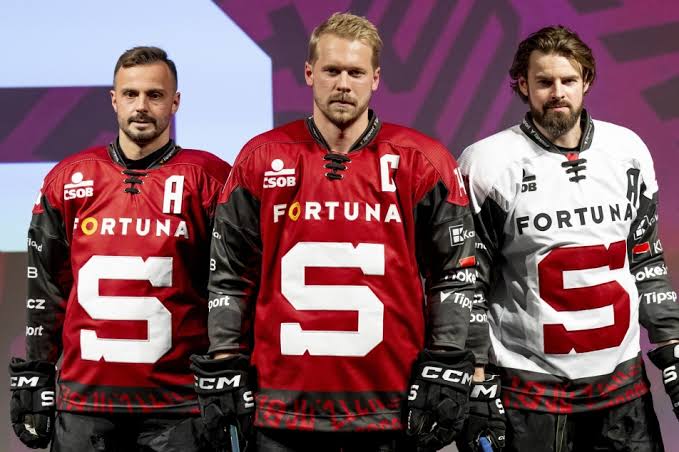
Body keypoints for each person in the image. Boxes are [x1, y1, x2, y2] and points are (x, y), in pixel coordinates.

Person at [190, 12, 479, 452]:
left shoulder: (423, 161)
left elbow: (454, 274)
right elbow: (230, 276)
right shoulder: (260, 158)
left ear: (376, 78)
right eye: (331, 70)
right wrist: (226, 359)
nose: (343, 84)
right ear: (309, 73)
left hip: (390, 408)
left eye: (356, 72)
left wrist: (447, 360)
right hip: (281, 409)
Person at [458, 26, 679, 452]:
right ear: (523, 85)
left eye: (568, 80)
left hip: (622, 392)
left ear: (586, 81)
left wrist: (671, 347)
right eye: (544, 81)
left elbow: (646, 261)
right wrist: (476, 377)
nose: (557, 92)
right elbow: (469, 283)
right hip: (530, 396)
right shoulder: (486, 162)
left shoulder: (628, 151)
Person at [8, 46, 231, 451]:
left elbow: (232, 288)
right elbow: (46, 288)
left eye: (155, 95)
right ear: (113, 100)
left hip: (179, 407)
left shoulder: (209, 179)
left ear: (175, 101)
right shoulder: (68, 179)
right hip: (84, 406)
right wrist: (36, 370)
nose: (141, 106)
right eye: (130, 94)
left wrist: (233, 371)